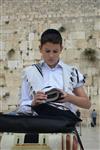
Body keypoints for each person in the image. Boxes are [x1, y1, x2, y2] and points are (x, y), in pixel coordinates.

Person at [18, 28, 91, 115]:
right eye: (47, 51)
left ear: (61, 49)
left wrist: (69, 97)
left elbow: (87, 104)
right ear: (40, 49)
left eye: (55, 51)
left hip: (64, 125)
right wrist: (33, 102)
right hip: (39, 125)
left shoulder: (71, 72)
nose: (51, 55)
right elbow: (22, 107)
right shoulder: (29, 72)